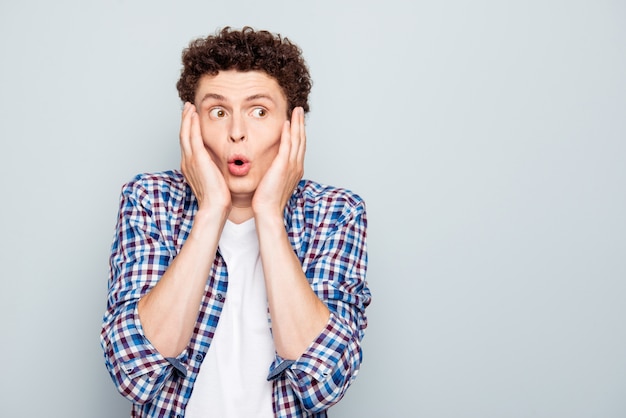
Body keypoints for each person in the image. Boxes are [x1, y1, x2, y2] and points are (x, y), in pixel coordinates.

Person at [100, 26, 371, 417]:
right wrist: (211, 209)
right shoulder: (149, 200)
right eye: (218, 112)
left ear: (292, 127)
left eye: (259, 111)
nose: (237, 132)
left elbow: (322, 382)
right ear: (191, 124)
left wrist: (269, 216)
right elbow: (134, 373)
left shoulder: (335, 213)